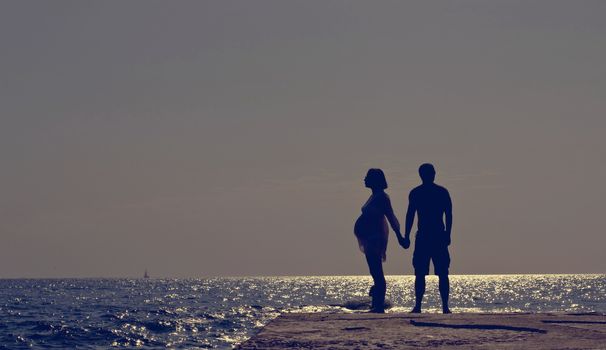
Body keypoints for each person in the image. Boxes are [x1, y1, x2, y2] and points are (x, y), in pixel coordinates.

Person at [400, 163, 453, 314]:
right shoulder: (417, 193)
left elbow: (448, 214)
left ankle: (444, 306)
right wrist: (407, 235)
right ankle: (419, 305)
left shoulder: (441, 192)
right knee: (421, 272)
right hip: (424, 236)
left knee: (442, 272)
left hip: (436, 236)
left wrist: (448, 234)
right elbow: (410, 215)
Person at [354, 168, 404, 313]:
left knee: (377, 271)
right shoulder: (374, 196)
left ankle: (379, 305)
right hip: (369, 238)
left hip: (375, 238)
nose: (364, 179)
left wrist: (400, 236)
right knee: (374, 270)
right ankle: (377, 302)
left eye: (367, 177)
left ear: (375, 180)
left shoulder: (382, 197)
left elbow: (391, 217)